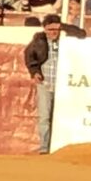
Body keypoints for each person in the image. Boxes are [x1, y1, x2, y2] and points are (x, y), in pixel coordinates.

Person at [23, 14, 64, 153]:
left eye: (56, 29)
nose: (53, 32)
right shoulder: (39, 41)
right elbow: (29, 56)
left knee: (58, 117)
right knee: (45, 117)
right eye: (50, 29)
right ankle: (44, 148)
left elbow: (81, 33)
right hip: (45, 83)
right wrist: (34, 72)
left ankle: (56, 147)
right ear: (45, 29)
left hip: (62, 85)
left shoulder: (66, 40)